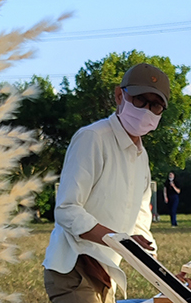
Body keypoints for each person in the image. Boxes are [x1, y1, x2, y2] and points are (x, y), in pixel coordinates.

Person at [42, 63, 170, 303]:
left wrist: (169, 281)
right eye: (140, 100)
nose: (146, 110)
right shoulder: (93, 138)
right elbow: (66, 210)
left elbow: (140, 227)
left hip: (106, 273)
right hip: (74, 269)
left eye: (155, 105)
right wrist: (119, 240)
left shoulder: (141, 155)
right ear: (119, 95)